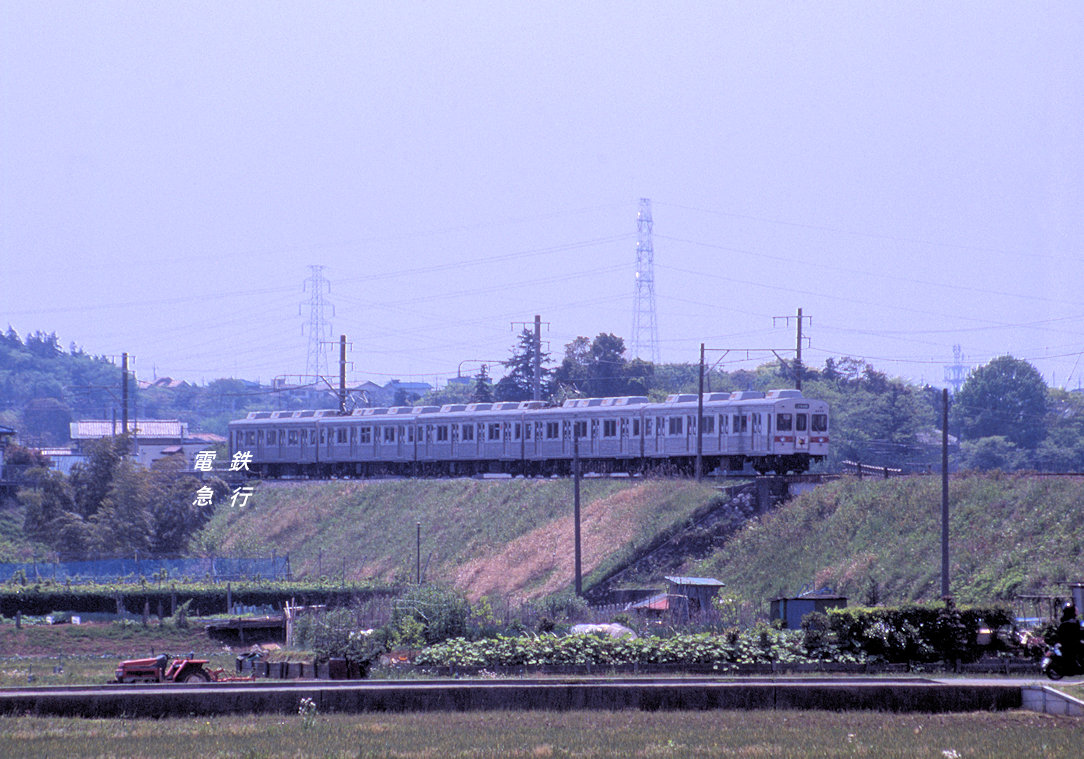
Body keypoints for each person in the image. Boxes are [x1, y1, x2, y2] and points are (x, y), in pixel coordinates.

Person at [1055, 602, 1082, 670]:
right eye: (1075, 610)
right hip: (1071, 644)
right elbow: (1077, 633)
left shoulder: (1067, 621)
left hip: (1068, 643)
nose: (1077, 612)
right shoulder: (1071, 622)